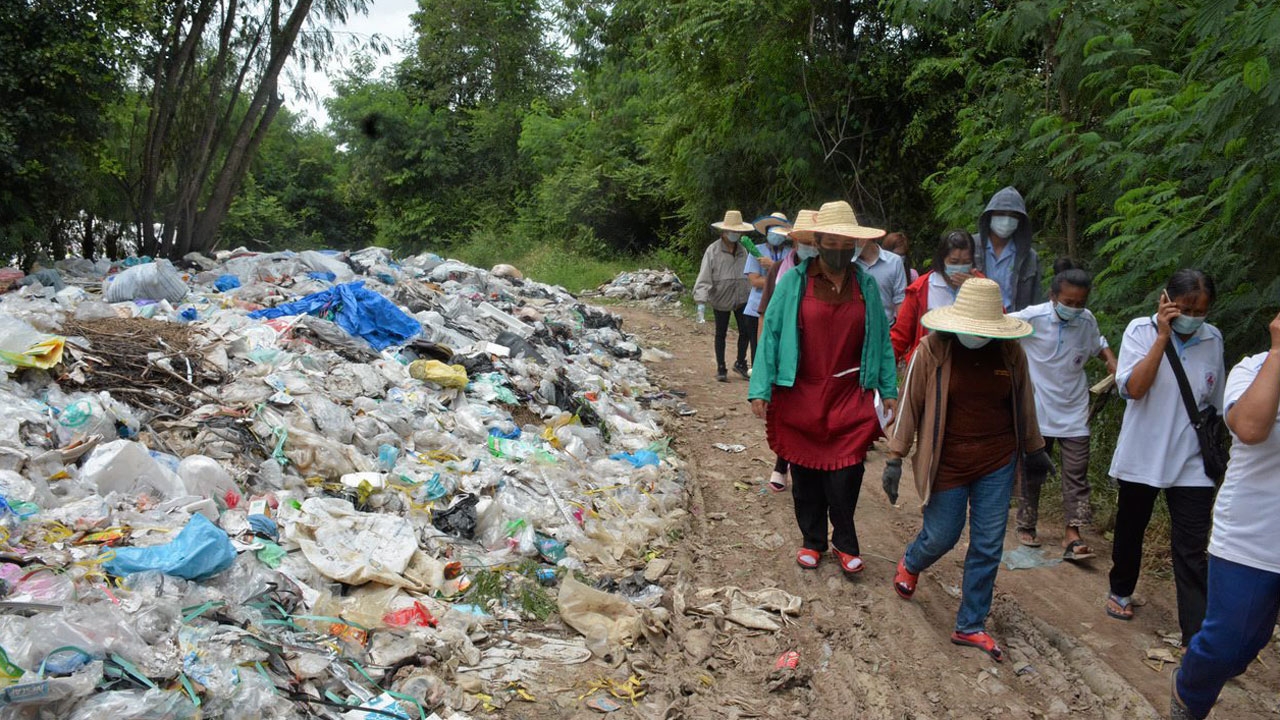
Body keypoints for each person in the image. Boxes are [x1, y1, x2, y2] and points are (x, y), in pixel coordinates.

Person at [883, 278, 1048, 662]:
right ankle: (912, 561)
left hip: (997, 459)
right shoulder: (933, 350)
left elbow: (1025, 402)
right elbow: (911, 406)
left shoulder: (1010, 353)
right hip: (947, 460)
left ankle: (970, 624)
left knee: (988, 544)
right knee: (942, 535)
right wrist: (895, 456)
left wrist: (1035, 450)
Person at [748, 200, 899, 575]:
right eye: (830, 242)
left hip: (851, 391)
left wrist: (888, 386)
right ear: (817, 241)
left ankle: (845, 542)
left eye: (845, 242)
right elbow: (771, 337)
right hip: (800, 390)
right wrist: (761, 387)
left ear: (854, 245)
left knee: (847, 472)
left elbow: (881, 340)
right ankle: (812, 540)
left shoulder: (864, 284)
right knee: (806, 471)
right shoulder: (794, 283)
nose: (838, 249)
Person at [1105, 270, 1224, 649]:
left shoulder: (1213, 339)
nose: (1193, 316)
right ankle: (1120, 589)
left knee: (1191, 548)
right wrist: (1162, 336)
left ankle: (1196, 635)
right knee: (1131, 529)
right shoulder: (1139, 331)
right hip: (1143, 454)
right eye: (1186, 308)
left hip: (1191, 463)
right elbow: (1135, 389)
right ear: (1166, 300)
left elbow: (1216, 404)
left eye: (1200, 310)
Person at [1172, 310, 1280, 720]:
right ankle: (1188, 696)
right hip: (1253, 536)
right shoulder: (1253, 368)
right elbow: (1250, 428)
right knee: (1228, 648)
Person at [1010, 259, 1118, 560]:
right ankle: (1026, 524)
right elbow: (1000, 327)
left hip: (1074, 410)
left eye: (1080, 303)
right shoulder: (1033, 317)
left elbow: (1097, 343)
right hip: (1038, 411)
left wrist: (1111, 359)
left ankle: (1073, 534)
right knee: (1033, 471)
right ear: (1052, 296)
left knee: (1076, 473)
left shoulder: (1086, 319)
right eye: (1068, 302)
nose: (1074, 307)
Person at [756, 209, 817, 494]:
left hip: (818, 357)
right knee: (788, 413)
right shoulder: (778, 271)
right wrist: (761, 362)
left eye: (815, 242)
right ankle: (782, 465)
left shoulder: (837, 276)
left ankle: (807, 466)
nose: (811, 248)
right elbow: (765, 316)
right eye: (806, 242)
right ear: (795, 242)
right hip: (785, 355)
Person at [890, 229, 984, 363]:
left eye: (966, 262)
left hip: (970, 363)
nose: (960, 267)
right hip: (930, 364)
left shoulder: (982, 285)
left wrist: (976, 288)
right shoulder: (921, 289)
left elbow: (998, 319)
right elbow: (900, 334)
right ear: (942, 259)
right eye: (954, 262)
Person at [693, 210, 754, 382]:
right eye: (732, 231)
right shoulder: (712, 251)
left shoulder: (743, 250)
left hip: (742, 296)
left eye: (737, 231)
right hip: (721, 297)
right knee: (721, 333)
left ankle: (741, 362)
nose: (735, 234)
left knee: (746, 331)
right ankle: (721, 366)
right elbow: (704, 276)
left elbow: (750, 273)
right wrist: (701, 301)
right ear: (724, 232)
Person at [973, 187, 1041, 312]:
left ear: (1020, 221)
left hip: (1014, 323)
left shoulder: (1029, 257)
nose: (1007, 220)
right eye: (1001, 214)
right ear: (990, 215)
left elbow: (1035, 301)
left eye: (1013, 216)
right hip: (976, 320)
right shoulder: (971, 247)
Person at [742, 213, 792, 365]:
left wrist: (773, 267)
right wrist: (782, 278)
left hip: (782, 309)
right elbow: (755, 280)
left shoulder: (790, 253)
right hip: (756, 308)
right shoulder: (756, 250)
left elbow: (796, 279)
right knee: (757, 348)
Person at [855, 232, 908, 324]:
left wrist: (900, 331)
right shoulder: (849, 264)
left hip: (887, 328)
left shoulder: (894, 261)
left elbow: (900, 299)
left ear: (865, 239)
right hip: (858, 329)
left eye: (853, 240)